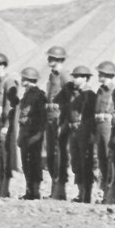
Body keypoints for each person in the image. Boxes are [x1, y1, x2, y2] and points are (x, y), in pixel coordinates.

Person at [94, 60, 115, 203]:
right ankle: (105, 192)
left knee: (111, 161)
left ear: (107, 74)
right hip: (99, 127)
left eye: (101, 73)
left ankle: (112, 193)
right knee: (102, 159)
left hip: (110, 127)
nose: (99, 75)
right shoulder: (100, 91)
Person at [0, 53, 19, 198]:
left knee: (4, 155)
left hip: (3, 123)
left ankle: (5, 188)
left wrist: (6, 126)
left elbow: (10, 106)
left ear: (2, 66)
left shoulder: (9, 81)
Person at [44, 46, 72, 200]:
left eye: (52, 58)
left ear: (59, 60)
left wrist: (65, 121)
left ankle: (59, 190)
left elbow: (69, 101)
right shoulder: (52, 76)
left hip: (59, 119)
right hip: (50, 119)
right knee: (51, 155)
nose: (49, 60)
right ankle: (54, 189)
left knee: (59, 155)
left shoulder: (64, 76)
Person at [68, 66, 97, 203]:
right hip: (75, 131)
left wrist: (91, 133)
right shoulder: (76, 93)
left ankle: (87, 195)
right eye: (74, 76)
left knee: (86, 163)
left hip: (84, 131)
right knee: (76, 163)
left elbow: (91, 116)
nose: (74, 79)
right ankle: (81, 193)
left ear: (85, 78)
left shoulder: (89, 94)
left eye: (77, 76)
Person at [17, 67, 47, 200]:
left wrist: (38, 134)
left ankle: (35, 191)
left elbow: (41, 116)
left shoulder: (38, 95)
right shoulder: (27, 94)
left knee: (34, 163)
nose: (22, 80)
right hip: (25, 132)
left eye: (24, 78)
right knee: (26, 163)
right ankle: (29, 190)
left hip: (33, 133)